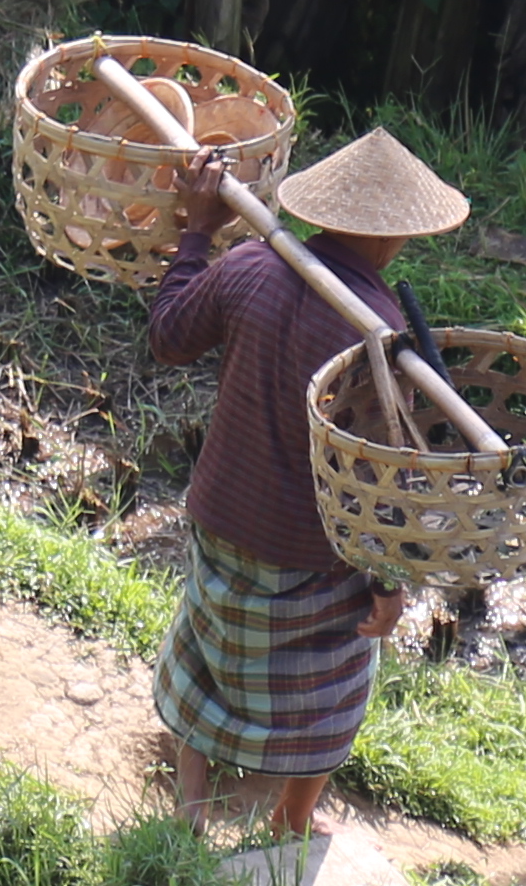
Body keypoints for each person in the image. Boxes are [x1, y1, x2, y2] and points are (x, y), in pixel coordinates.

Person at [146, 125, 468, 844]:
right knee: (339, 677)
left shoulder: (249, 266)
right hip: (308, 554)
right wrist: (387, 583)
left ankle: (191, 803)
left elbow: (167, 334)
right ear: (394, 241)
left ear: (322, 214)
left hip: (220, 519)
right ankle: (293, 816)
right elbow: (380, 488)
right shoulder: (381, 338)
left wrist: (197, 234)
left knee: (204, 644)